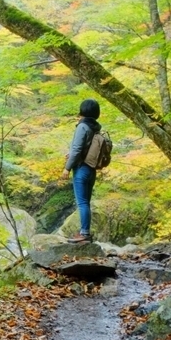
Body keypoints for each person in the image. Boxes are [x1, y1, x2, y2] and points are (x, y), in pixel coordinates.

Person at [61, 99, 101, 243]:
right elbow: (85, 148)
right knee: (86, 202)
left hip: (81, 168)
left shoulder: (82, 126)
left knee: (82, 203)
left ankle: (84, 233)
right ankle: (86, 232)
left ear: (83, 110)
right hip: (91, 170)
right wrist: (71, 153)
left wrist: (67, 168)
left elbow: (77, 149)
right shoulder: (96, 127)